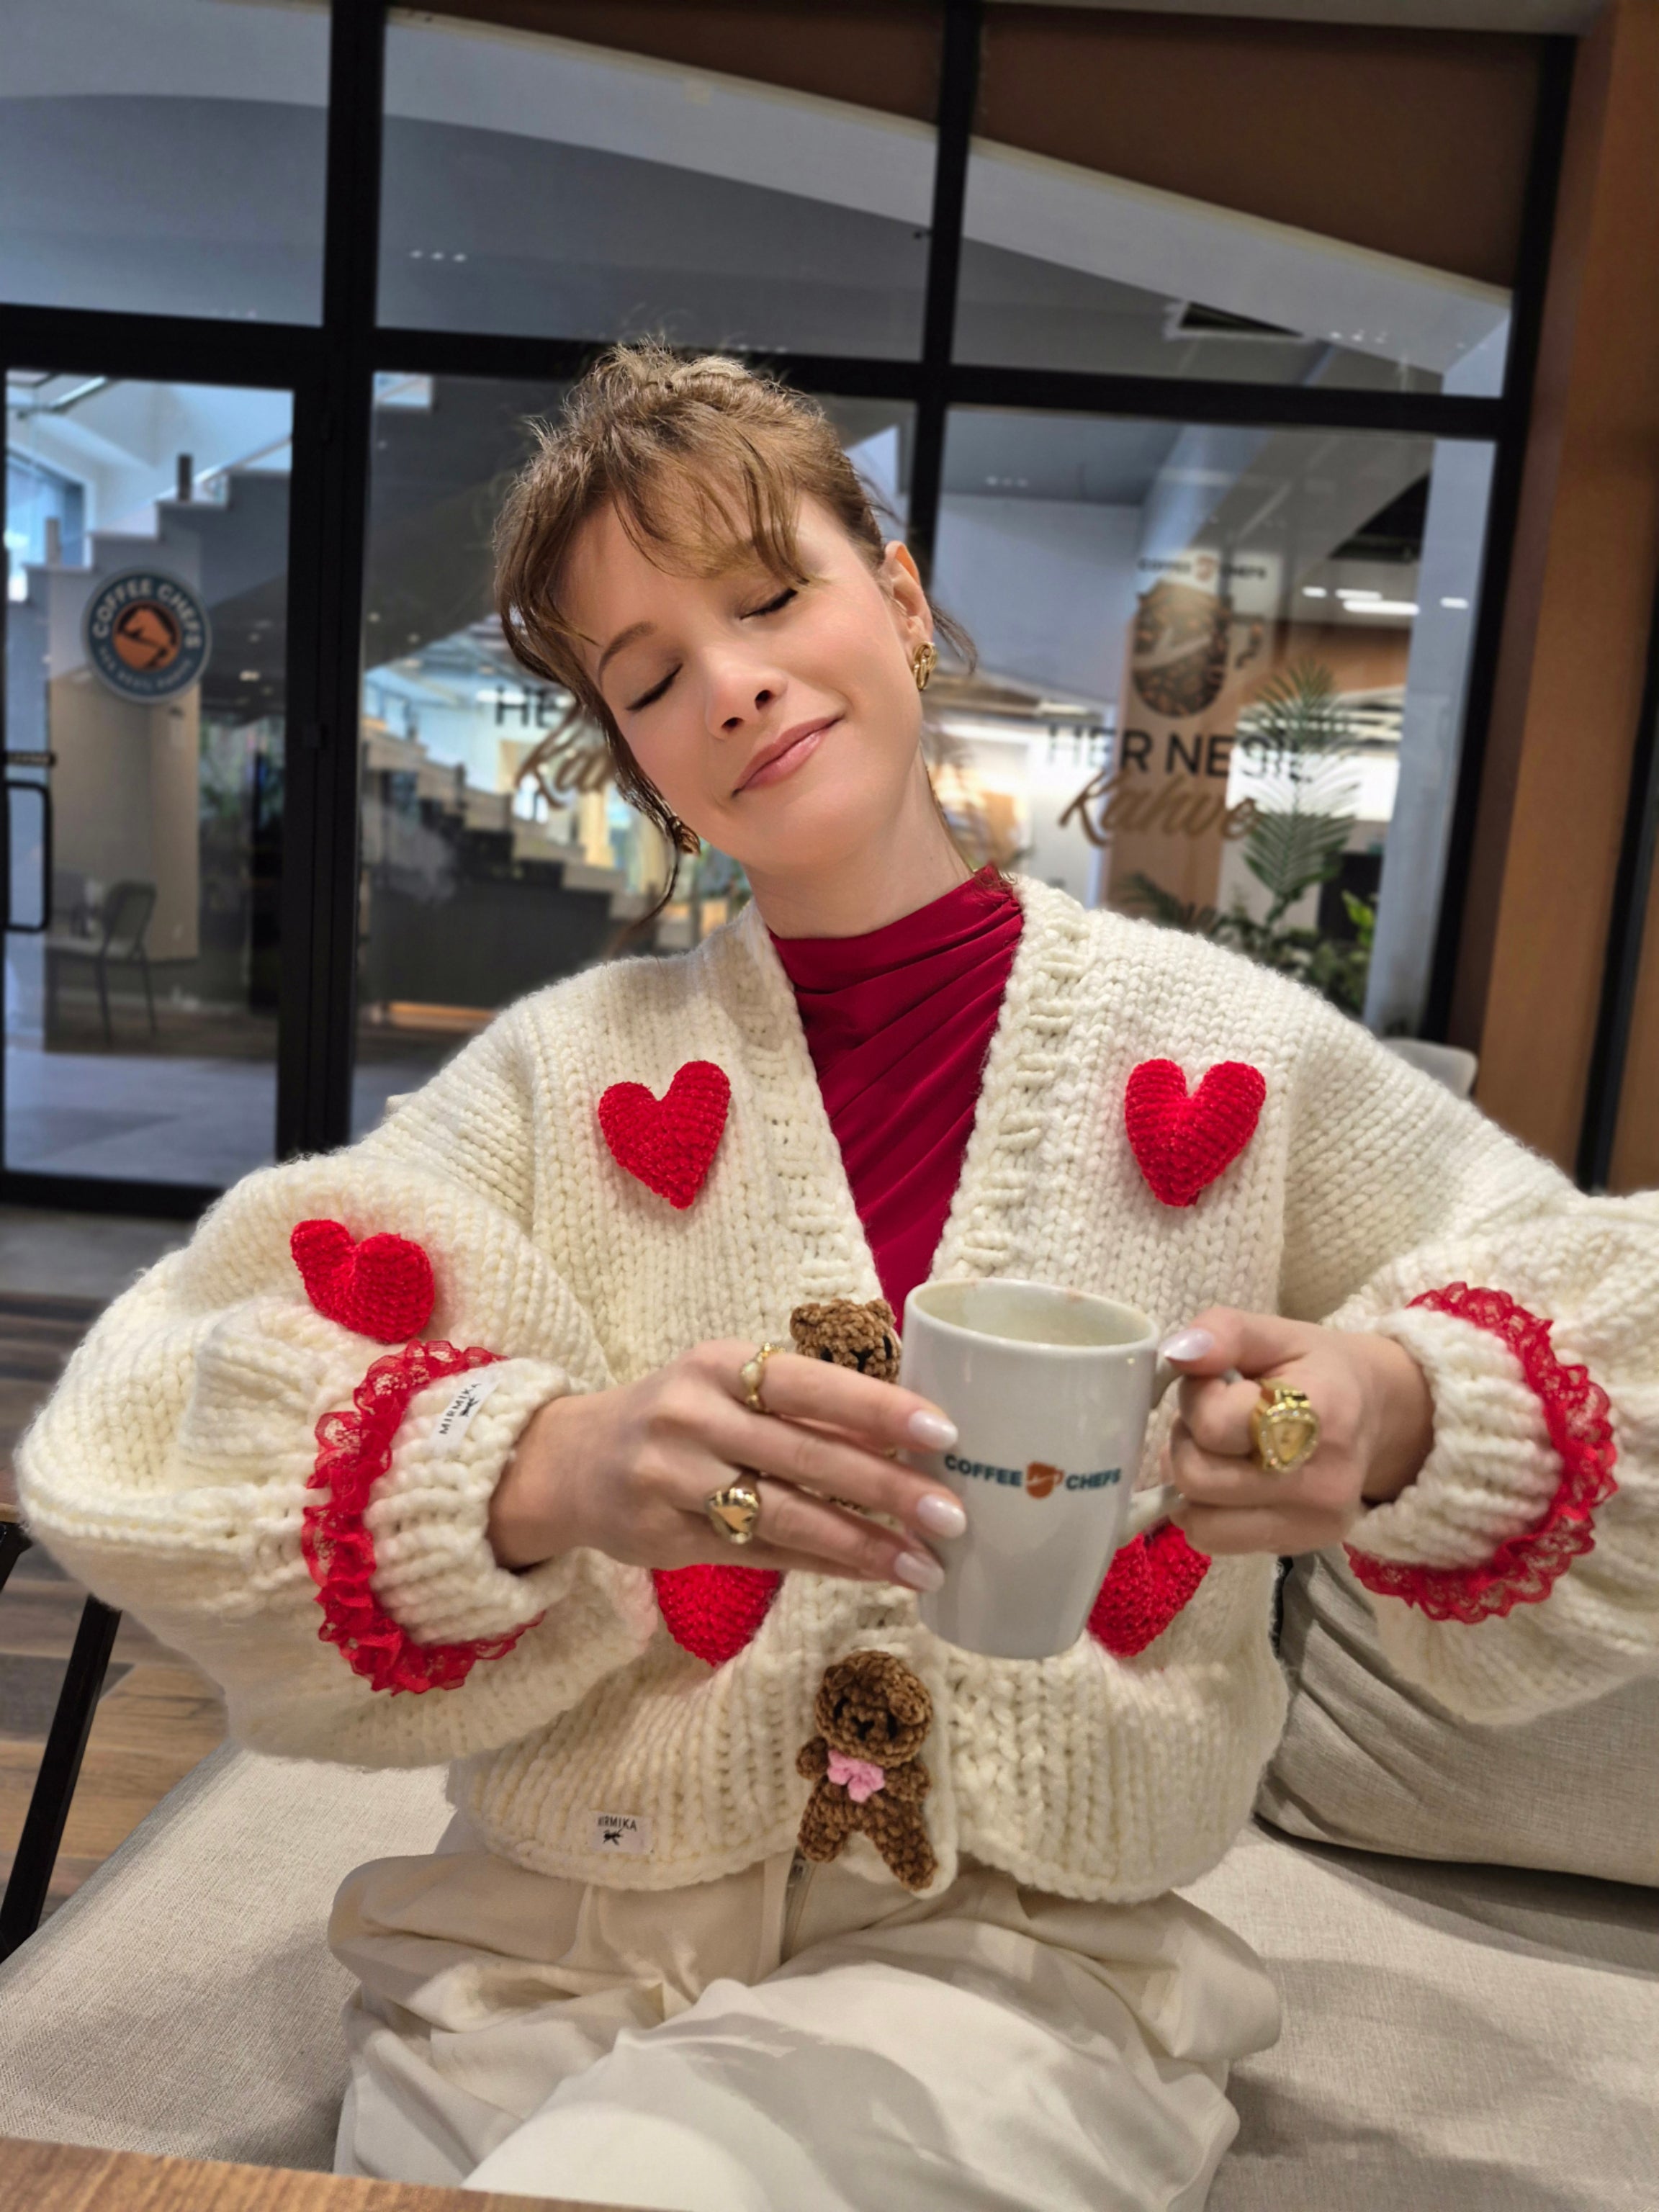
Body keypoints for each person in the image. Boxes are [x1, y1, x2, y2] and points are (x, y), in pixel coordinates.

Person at [19, 344, 1656, 2212]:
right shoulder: (561, 1079)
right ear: (636, 758)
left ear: (900, 595)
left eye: (768, 595)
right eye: (649, 680)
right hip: (531, 1966)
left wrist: (1398, 1408)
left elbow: (1607, 1317)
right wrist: (545, 1467)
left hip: (1015, 1976)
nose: (730, 684)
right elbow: (149, 1412)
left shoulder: (1236, 1058)